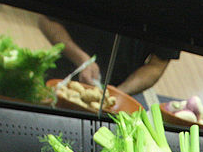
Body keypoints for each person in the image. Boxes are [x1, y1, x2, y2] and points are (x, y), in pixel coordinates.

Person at [37, 16, 178, 94]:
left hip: (114, 101)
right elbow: (46, 20)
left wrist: (118, 93)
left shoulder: (170, 2)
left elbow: (157, 65)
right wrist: (82, 60)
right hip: (59, 79)